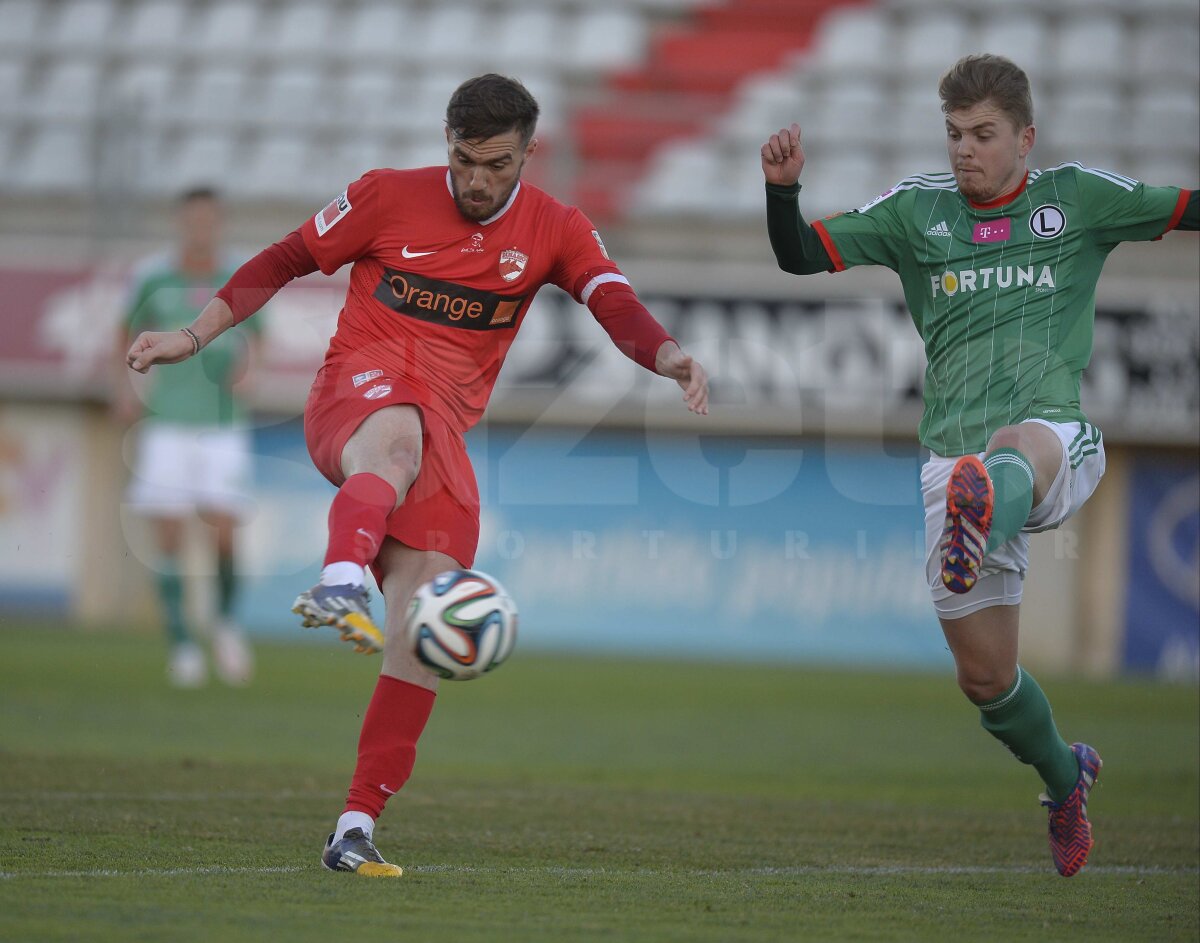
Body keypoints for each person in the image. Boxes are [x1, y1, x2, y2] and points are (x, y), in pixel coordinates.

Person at [127, 74, 709, 876]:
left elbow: (611, 298)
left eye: (497, 165)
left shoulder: (555, 227)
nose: (477, 178)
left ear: (528, 154)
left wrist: (666, 354)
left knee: (421, 630)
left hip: (443, 440)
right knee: (394, 441)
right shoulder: (383, 196)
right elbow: (286, 257)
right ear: (447, 142)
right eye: (465, 159)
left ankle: (355, 822)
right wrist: (193, 337)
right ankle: (338, 578)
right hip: (355, 394)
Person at [761, 53, 1197, 877]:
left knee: (1014, 448)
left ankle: (982, 508)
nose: (965, 149)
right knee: (986, 679)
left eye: (984, 135)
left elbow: (1189, 207)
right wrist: (783, 193)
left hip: (1055, 439)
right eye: (955, 133)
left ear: (1025, 138)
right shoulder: (915, 213)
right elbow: (799, 257)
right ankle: (1067, 780)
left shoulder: (1078, 200)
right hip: (948, 454)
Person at [114, 186, 259, 688]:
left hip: (222, 424)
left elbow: (257, 336)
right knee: (169, 535)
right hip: (167, 422)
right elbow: (125, 329)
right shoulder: (153, 276)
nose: (201, 228)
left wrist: (249, 371)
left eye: (209, 220)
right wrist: (125, 386)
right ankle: (181, 645)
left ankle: (223, 625)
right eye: (193, 220)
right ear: (182, 222)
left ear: (219, 223)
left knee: (223, 532)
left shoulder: (237, 276)